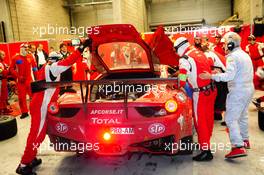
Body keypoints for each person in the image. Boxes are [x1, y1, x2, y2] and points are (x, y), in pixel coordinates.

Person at [16, 38, 92, 175]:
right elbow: (69, 62)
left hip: (39, 103)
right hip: (41, 105)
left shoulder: (46, 66)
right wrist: (81, 48)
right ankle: (24, 164)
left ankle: (30, 158)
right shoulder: (53, 67)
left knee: (38, 133)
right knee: (36, 135)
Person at [199, 32, 254, 159]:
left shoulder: (232, 57)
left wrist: (211, 76)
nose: (224, 45)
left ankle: (237, 146)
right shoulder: (244, 55)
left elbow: (229, 76)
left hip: (238, 90)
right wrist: (221, 71)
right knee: (243, 116)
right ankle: (245, 140)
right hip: (248, 89)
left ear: (230, 43)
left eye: (225, 43)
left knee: (230, 119)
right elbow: (236, 72)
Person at [174, 37, 217, 161]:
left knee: (200, 121)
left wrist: (179, 86)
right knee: (208, 118)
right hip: (212, 89)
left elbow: (182, 75)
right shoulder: (199, 52)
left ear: (179, 47)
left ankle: (206, 151)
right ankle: (206, 142)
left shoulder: (184, 58)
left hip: (201, 93)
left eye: (175, 49)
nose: (176, 52)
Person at [9, 44, 38, 119]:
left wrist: (37, 78)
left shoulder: (30, 57)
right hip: (20, 81)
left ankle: (35, 109)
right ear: (21, 48)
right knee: (21, 98)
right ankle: (24, 112)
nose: (27, 49)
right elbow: (11, 69)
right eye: (25, 48)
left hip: (29, 80)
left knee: (33, 96)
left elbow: (35, 68)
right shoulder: (15, 57)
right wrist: (18, 75)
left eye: (27, 47)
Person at [204, 49, 228, 121]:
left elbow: (209, 64)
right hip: (225, 74)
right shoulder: (210, 52)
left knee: (220, 94)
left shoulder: (207, 54)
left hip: (224, 75)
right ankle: (217, 113)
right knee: (221, 94)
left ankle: (217, 114)